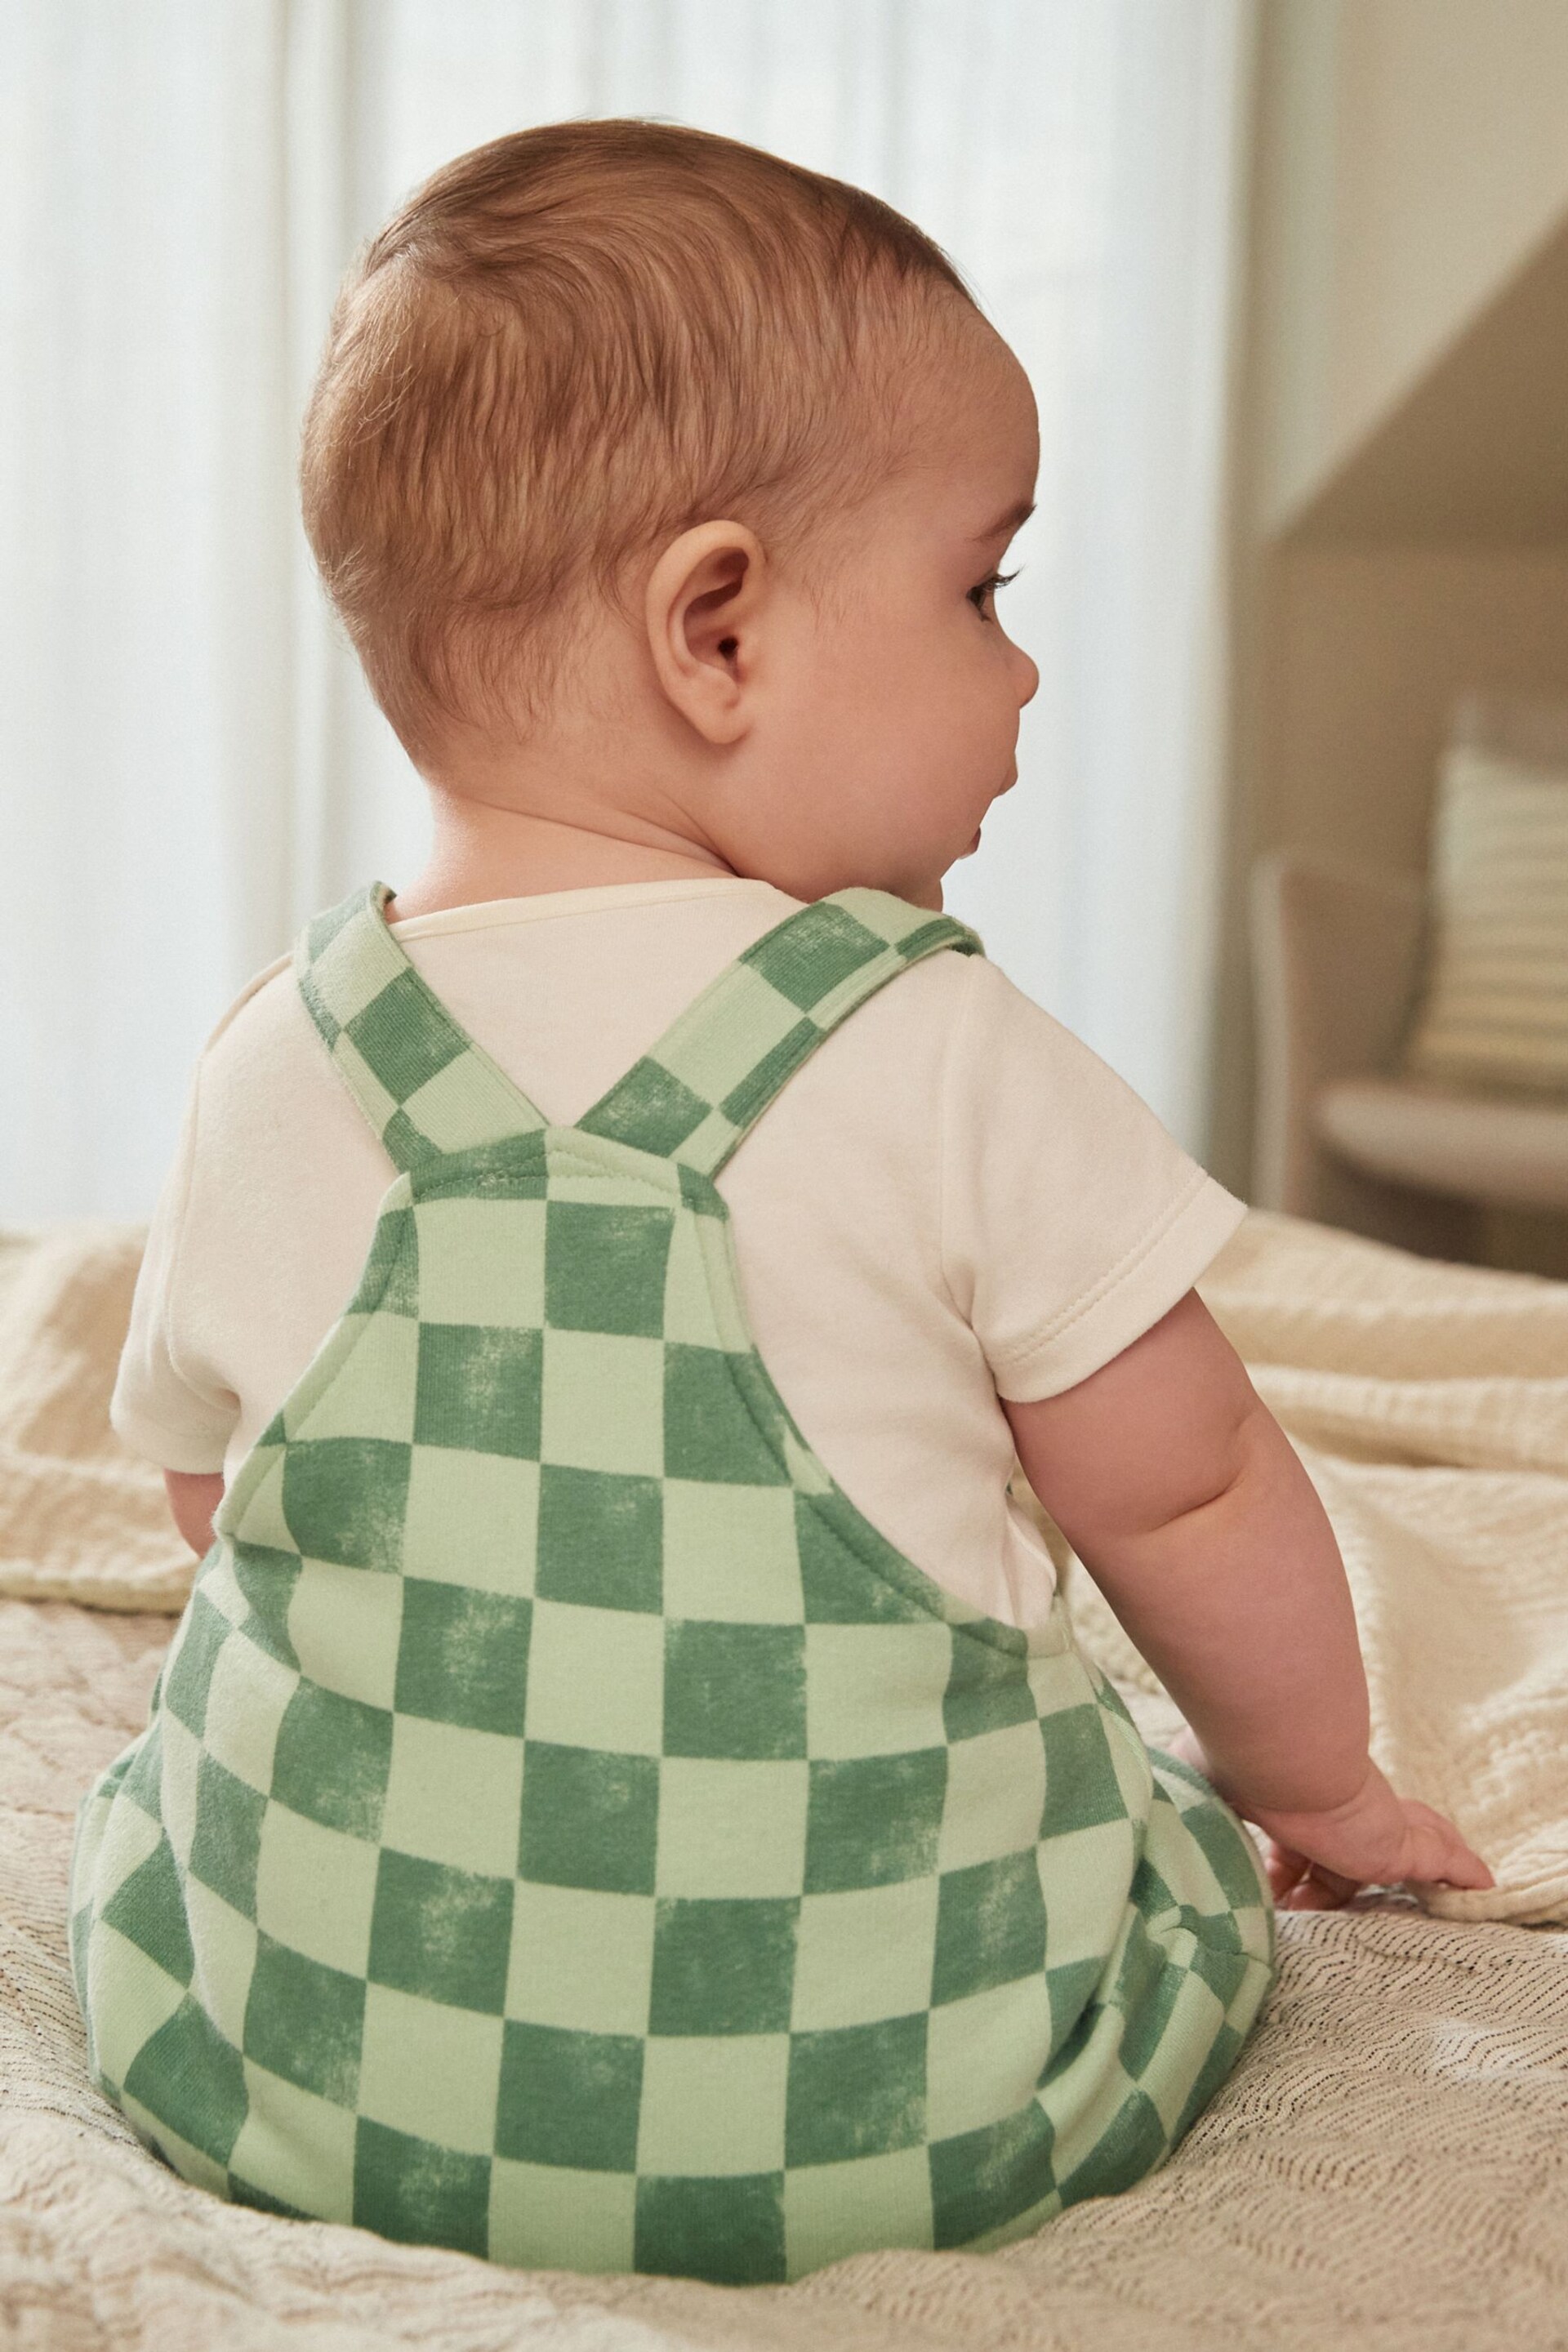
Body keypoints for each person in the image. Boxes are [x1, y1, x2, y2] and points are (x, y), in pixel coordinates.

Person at [71, 120, 1490, 2285]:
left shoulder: (282, 1052)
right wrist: (1327, 1796)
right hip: (917, 2118)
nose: (1022, 674)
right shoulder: (932, 1048)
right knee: (1153, 1847)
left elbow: (213, 1506)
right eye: (983, 586)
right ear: (716, 630)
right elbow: (1192, 1498)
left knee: (181, 1764)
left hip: (297, 2080)